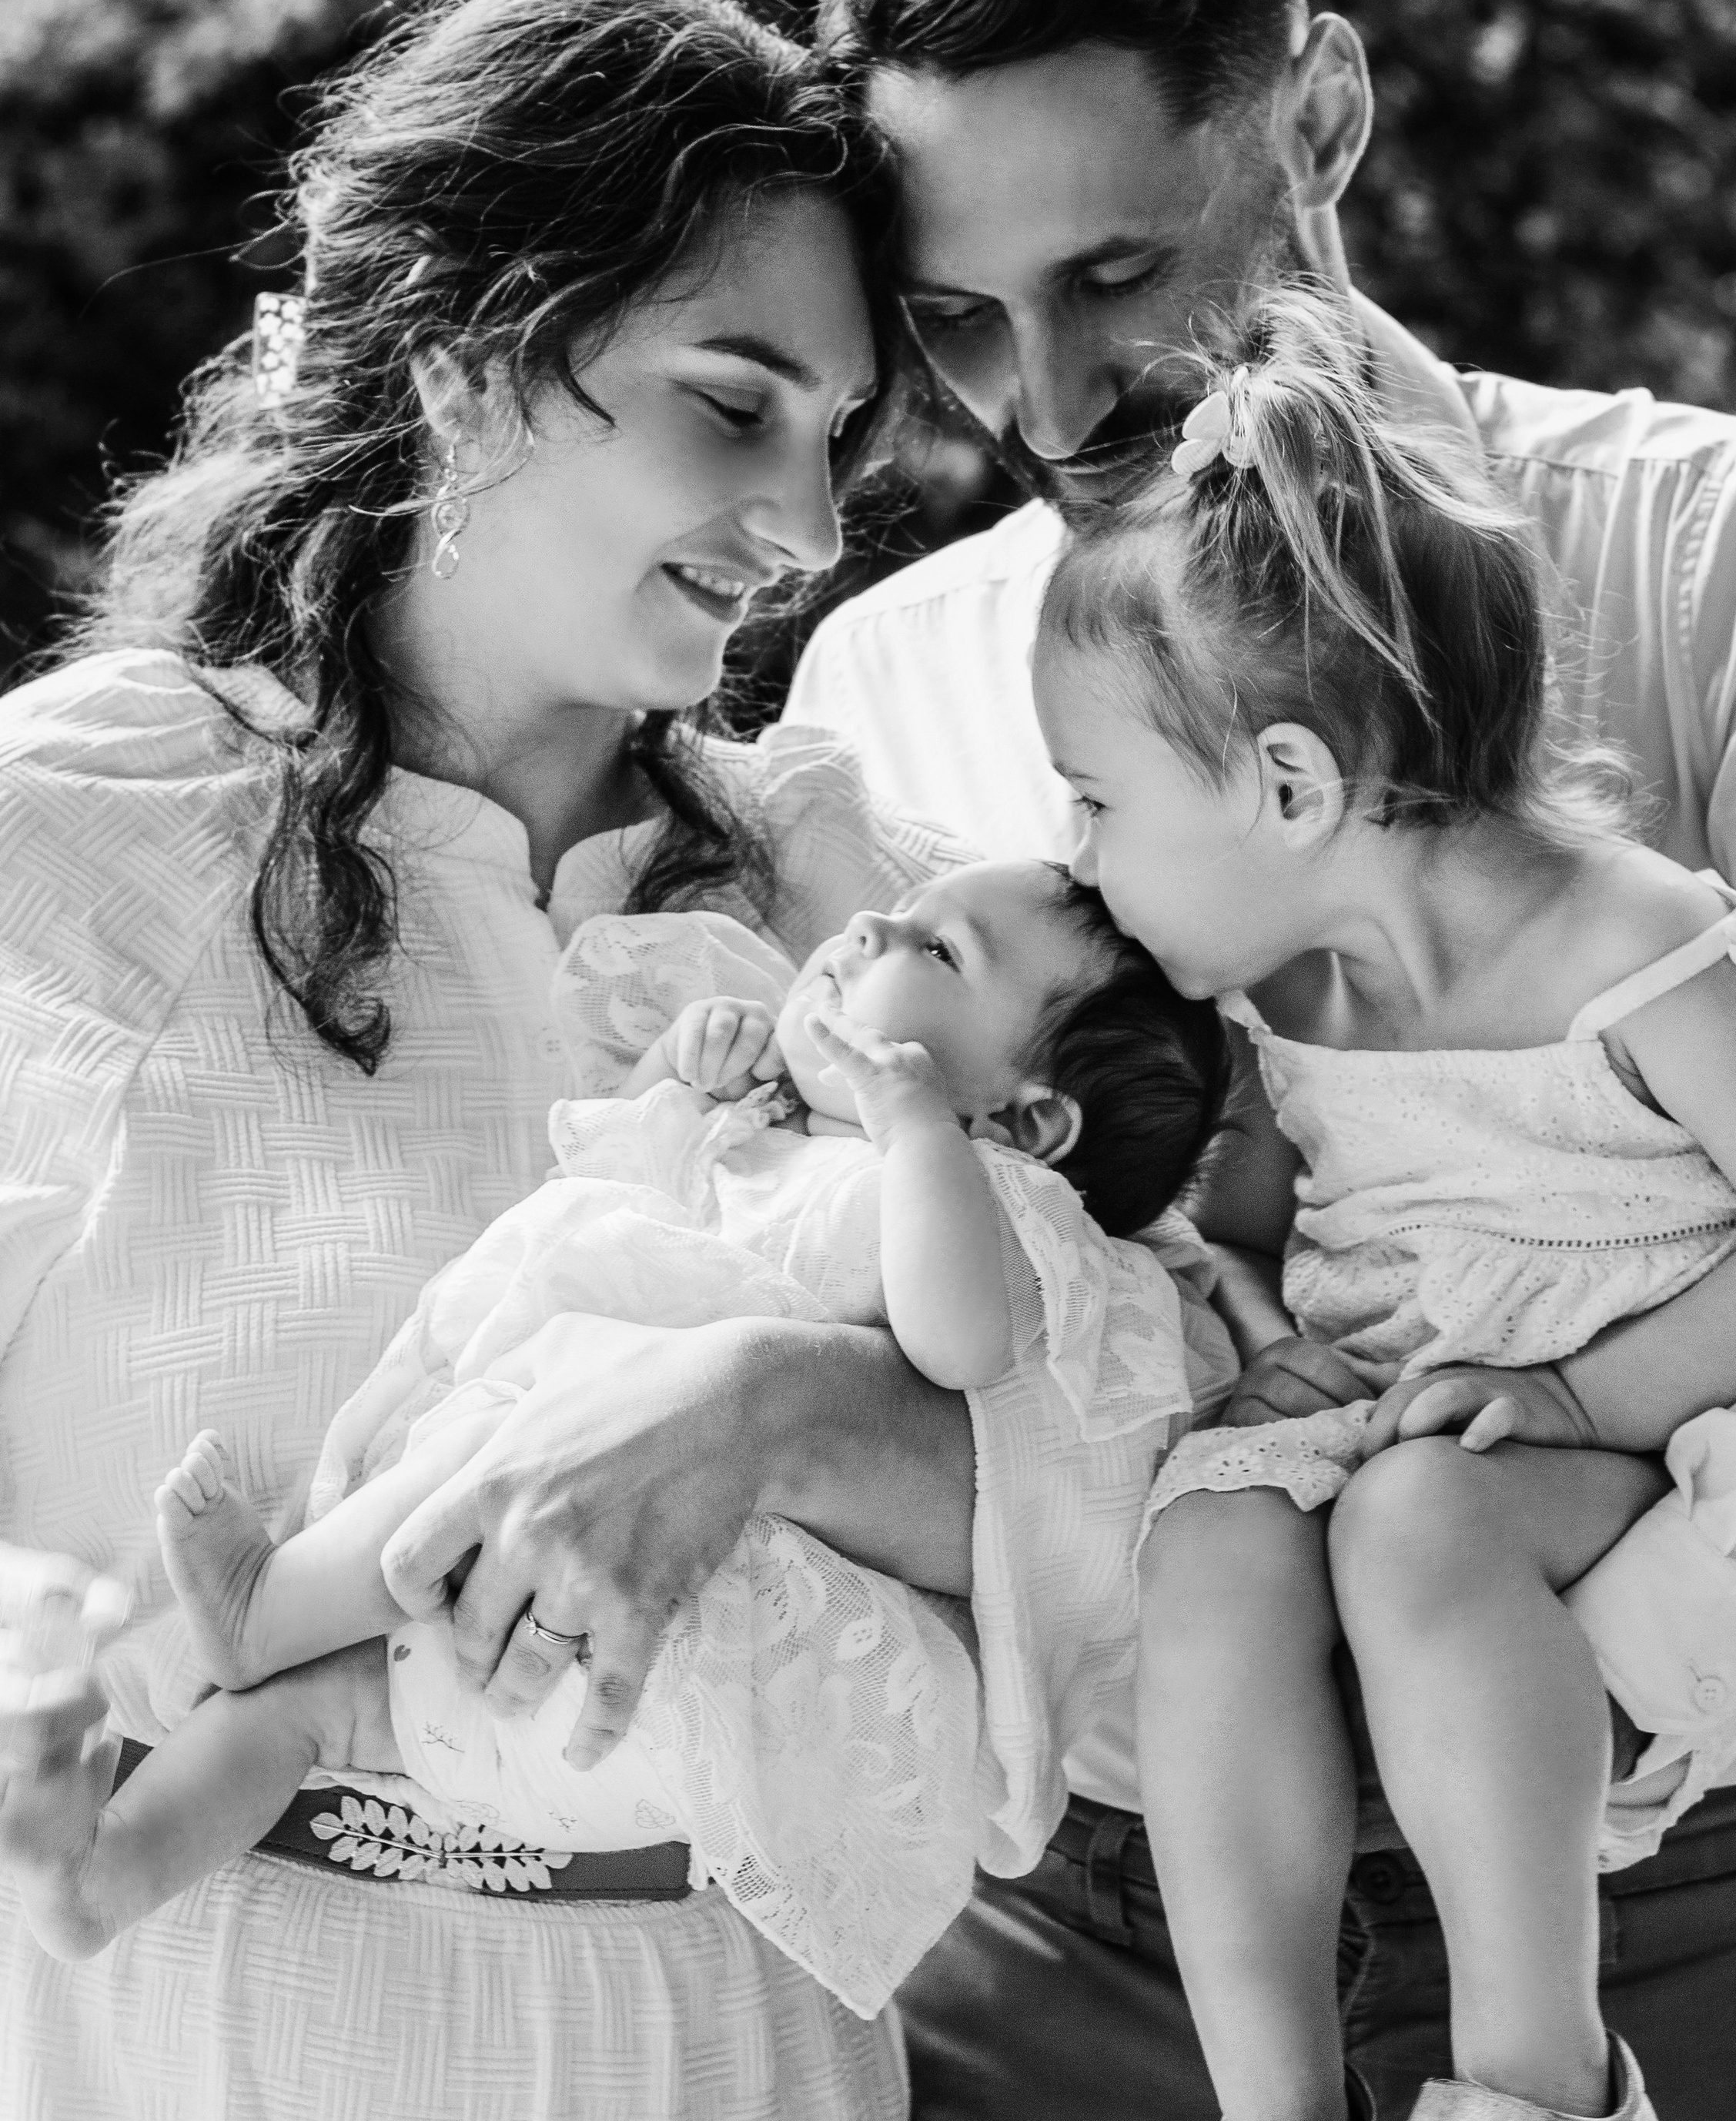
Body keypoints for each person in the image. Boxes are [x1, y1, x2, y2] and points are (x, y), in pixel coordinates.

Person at [785, 0, 1736, 2121]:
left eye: (1120, 266)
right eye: (964, 320)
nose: (1050, 395)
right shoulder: (884, 688)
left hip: (1698, 1902)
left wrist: (1522, 1690)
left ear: (1315, 110)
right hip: (1090, 1988)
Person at [0, 0, 1233, 2121]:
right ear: (470, 351)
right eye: (730, 406)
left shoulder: (844, 898)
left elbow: (1113, 1545)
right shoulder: (78, 841)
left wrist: (769, 1402)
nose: (805, 522)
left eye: (845, 438)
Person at [1032, 292, 1736, 2121]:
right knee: (1217, 1537)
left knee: (1425, 1525)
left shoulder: (1639, 950)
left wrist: (1578, 1394)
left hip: (1608, 1425)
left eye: (1093, 804)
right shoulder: (1284, 994)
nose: (1078, 853)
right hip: (1417, 1422)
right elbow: (1325, 1212)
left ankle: (1546, 2110)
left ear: (1282, 781)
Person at [6, 861, 1223, 2027]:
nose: (868, 932)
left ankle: (264, 1604)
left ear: (1034, 1118)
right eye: (897, 911)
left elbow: (961, 1346)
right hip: (556, 1661)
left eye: (938, 952)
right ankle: (98, 1877)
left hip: (679, 1645)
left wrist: (916, 1131)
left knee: (538, 1403)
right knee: (307, 1716)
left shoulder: (996, 1204)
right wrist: (675, 1077)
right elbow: (603, 1172)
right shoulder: (779, 1136)